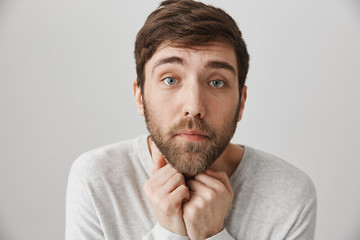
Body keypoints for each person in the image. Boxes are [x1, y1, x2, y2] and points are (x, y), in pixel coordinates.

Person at [65, 0, 317, 239]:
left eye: (216, 82)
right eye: (170, 80)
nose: (194, 107)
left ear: (241, 101)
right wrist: (169, 232)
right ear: (140, 97)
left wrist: (213, 235)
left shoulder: (289, 194)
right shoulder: (96, 179)